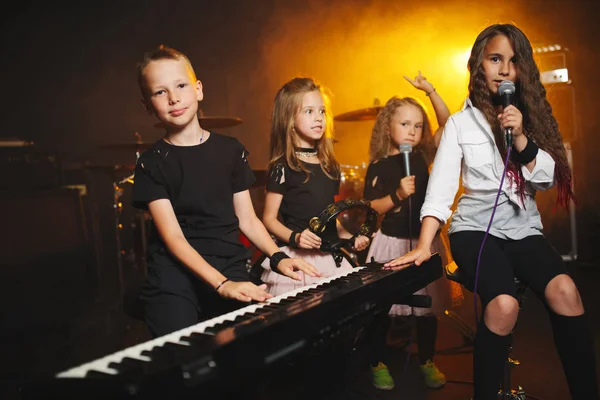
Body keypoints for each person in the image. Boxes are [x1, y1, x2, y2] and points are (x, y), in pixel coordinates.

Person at [386, 24, 599, 399]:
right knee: (503, 305)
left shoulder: (527, 118)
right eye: (495, 59)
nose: (504, 69)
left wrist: (519, 138)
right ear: (478, 65)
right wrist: (424, 244)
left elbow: (548, 178)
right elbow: (441, 189)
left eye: (513, 62)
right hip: (475, 230)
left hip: (523, 228)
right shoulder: (459, 124)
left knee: (566, 291)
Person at [131, 45, 319, 338]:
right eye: (160, 92)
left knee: (237, 359)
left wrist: (277, 257)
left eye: (181, 85)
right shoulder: (151, 163)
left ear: (198, 90)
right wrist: (221, 285)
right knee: (179, 361)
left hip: (227, 263)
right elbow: (174, 238)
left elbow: (247, 219)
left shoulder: (230, 151)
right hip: (174, 276)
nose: (173, 97)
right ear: (147, 104)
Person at [362, 73, 452, 391]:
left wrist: (431, 90)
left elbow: (448, 124)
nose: (412, 131)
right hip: (391, 242)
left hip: (423, 241)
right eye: (404, 124)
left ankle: (427, 360)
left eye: (417, 126)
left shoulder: (424, 157)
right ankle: (376, 361)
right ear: (388, 126)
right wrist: (397, 195)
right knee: (383, 310)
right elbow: (371, 208)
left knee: (426, 311)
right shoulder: (379, 165)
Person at [260, 77, 369, 296]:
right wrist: (296, 237)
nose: (318, 118)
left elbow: (330, 217)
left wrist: (352, 237)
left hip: (330, 259)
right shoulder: (282, 167)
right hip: (297, 259)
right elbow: (268, 219)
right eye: (309, 111)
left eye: (321, 111)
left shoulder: (330, 166)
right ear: (289, 119)